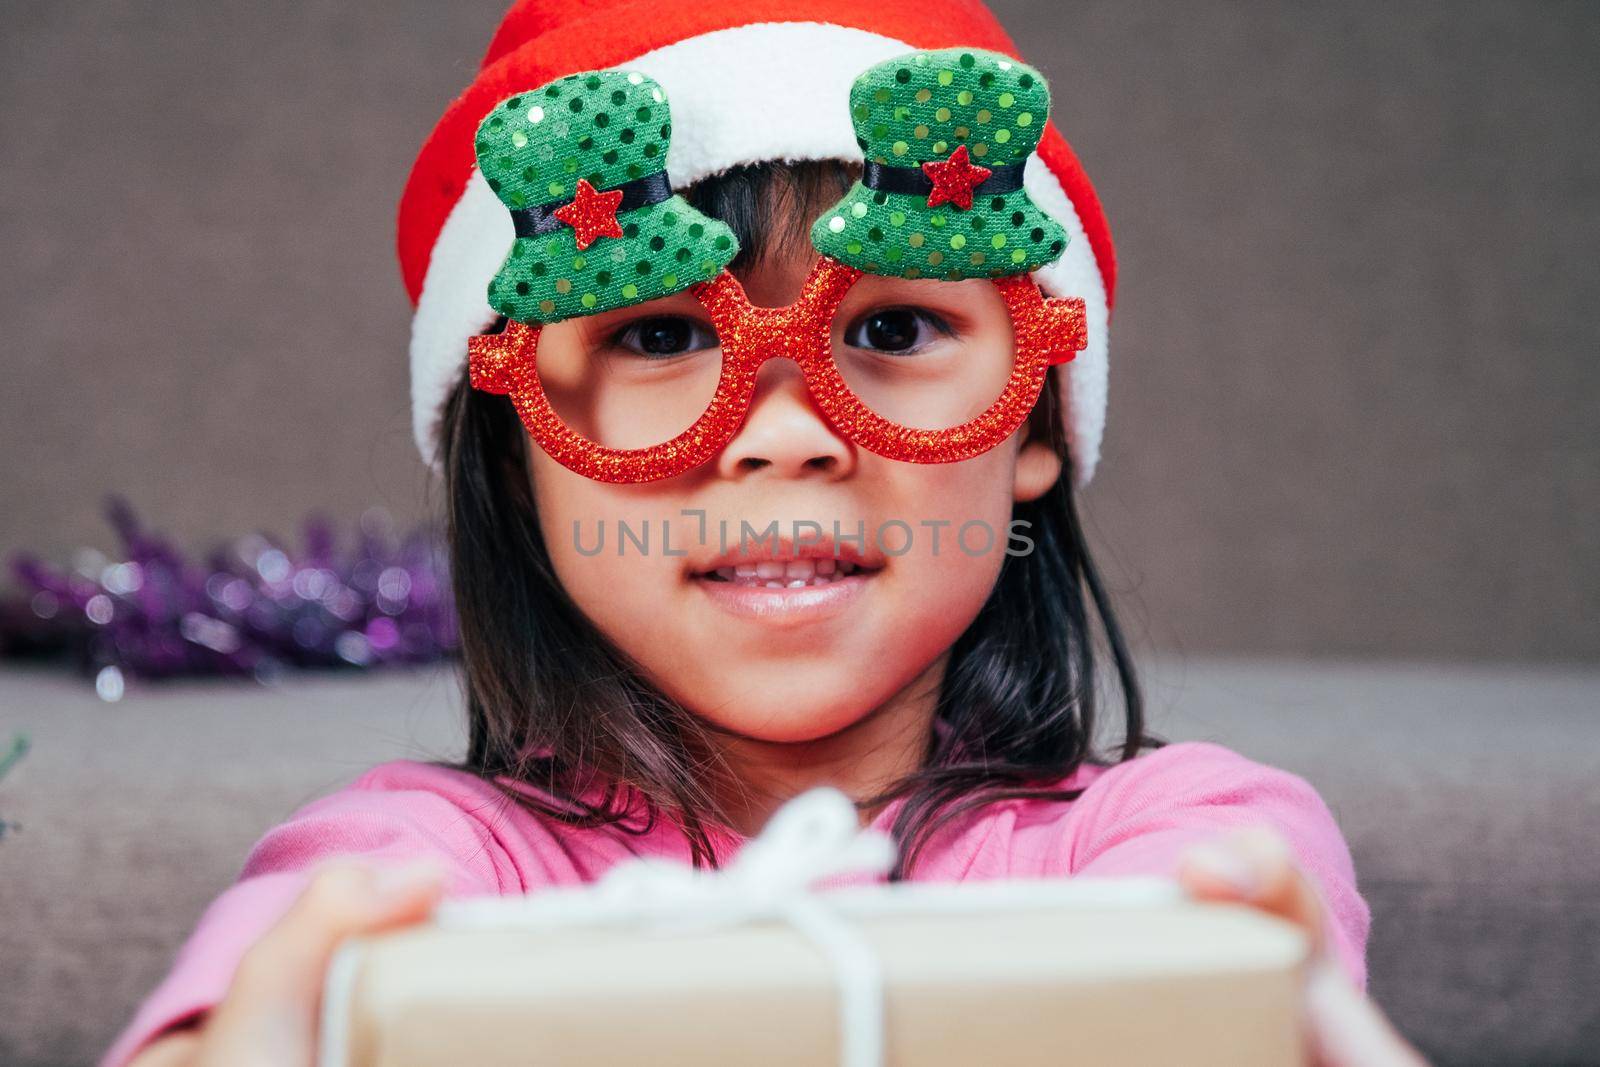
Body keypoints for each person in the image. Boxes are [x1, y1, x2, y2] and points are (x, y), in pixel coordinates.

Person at [109, 3, 1426, 1065]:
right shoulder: (403, 872)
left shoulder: (1190, 843)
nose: (784, 435)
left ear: (1033, 419)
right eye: (662, 333)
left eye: (894, 330)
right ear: (516, 462)